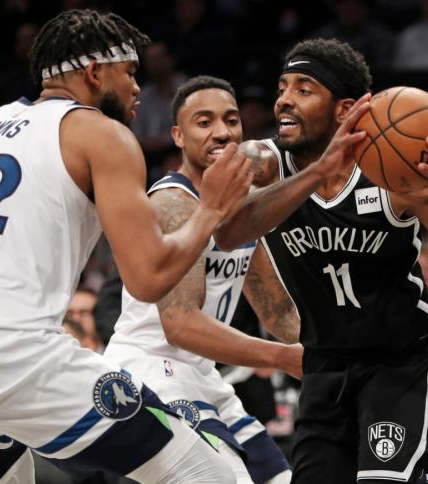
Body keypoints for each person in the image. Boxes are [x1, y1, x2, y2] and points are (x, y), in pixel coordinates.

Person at [0, 9, 254, 484]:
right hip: (5, 349)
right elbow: (149, 277)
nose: (137, 88)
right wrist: (212, 209)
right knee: (208, 473)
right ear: (95, 72)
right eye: (129, 72)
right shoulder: (103, 133)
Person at [215, 38, 428, 483]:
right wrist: (318, 171)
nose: (284, 100)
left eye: (304, 89)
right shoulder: (265, 164)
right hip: (324, 362)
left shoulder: (394, 174)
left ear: (344, 110)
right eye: (282, 87)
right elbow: (228, 233)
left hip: (399, 360)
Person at [104, 76, 301, 483]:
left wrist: (338, 347)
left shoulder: (241, 206)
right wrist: (282, 358)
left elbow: (278, 311)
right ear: (178, 135)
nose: (222, 132)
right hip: (152, 369)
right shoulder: (173, 203)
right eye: (205, 122)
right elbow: (180, 325)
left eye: (231, 120)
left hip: (201, 375)